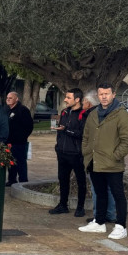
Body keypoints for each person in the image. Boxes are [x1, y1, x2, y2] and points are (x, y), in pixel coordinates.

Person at [79, 83, 128, 240]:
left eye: (106, 93)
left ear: (113, 94)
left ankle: (121, 226)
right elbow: (86, 136)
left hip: (112, 164)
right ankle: (99, 222)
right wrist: (86, 152)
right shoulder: (93, 113)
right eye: (101, 94)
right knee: (100, 193)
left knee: (118, 195)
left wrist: (115, 156)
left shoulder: (121, 114)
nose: (103, 96)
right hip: (94, 161)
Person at [50, 88, 88, 217]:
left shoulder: (84, 113)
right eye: (65, 97)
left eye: (68, 97)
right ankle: (63, 205)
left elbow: (82, 134)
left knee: (81, 180)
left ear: (77, 100)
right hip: (62, 152)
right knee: (63, 179)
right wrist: (58, 147)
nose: (65, 99)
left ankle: (80, 207)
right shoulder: (65, 112)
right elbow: (61, 131)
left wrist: (66, 130)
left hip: (76, 154)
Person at [81, 90, 115, 224]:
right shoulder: (106, 113)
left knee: (98, 188)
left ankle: (98, 216)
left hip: (98, 156)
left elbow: (87, 136)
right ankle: (109, 214)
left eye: (84, 101)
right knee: (108, 187)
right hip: (106, 155)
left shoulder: (92, 115)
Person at [5, 92, 34, 186]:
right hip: (8, 142)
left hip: (19, 142)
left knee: (20, 162)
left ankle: (23, 181)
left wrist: (22, 137)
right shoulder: (7, 110)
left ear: (16, 99)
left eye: (10, 98)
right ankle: (12, 180)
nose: (8, 99)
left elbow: (29, 126)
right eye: (7, 98)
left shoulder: (23, 110)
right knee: (10, 162)